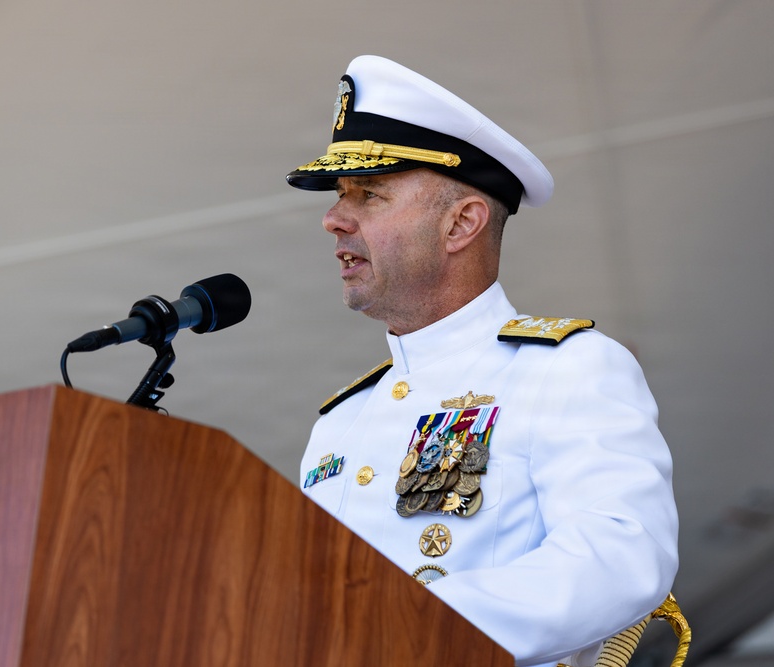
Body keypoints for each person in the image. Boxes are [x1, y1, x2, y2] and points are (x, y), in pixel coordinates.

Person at [287, 55, 678, 667]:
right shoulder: (341, 422)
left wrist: (400, 625)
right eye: (341, 196)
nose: (334, 219)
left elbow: (621, 556)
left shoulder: (566, 369)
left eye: (368, 195)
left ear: (461, 223)